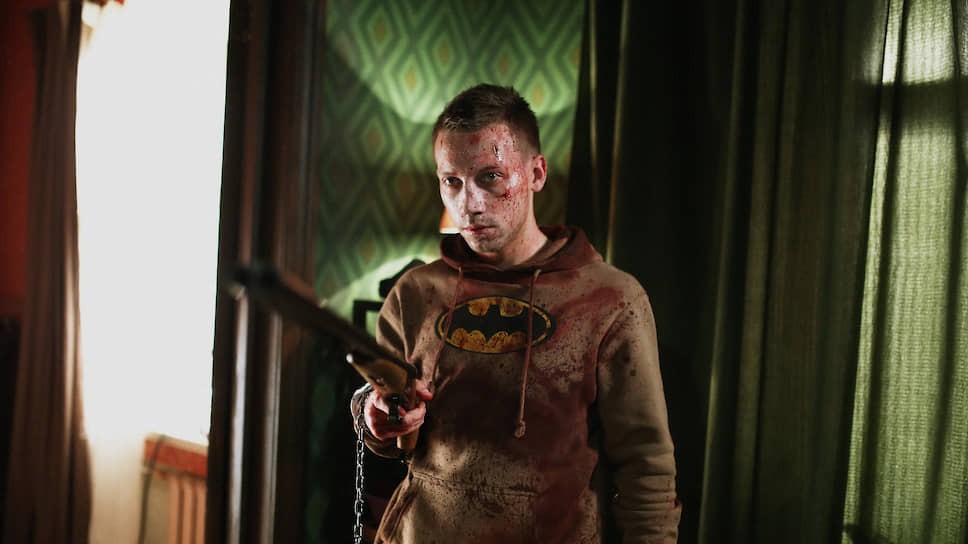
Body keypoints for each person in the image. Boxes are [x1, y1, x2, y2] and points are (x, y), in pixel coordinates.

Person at [350, 83, 681, 543]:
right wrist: (378, 416)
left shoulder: (610, 300)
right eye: (452, 181)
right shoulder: (416, 293)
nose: (470, 204)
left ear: (536, 173)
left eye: (491, 176)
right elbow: (379, 409)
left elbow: (646, 464)